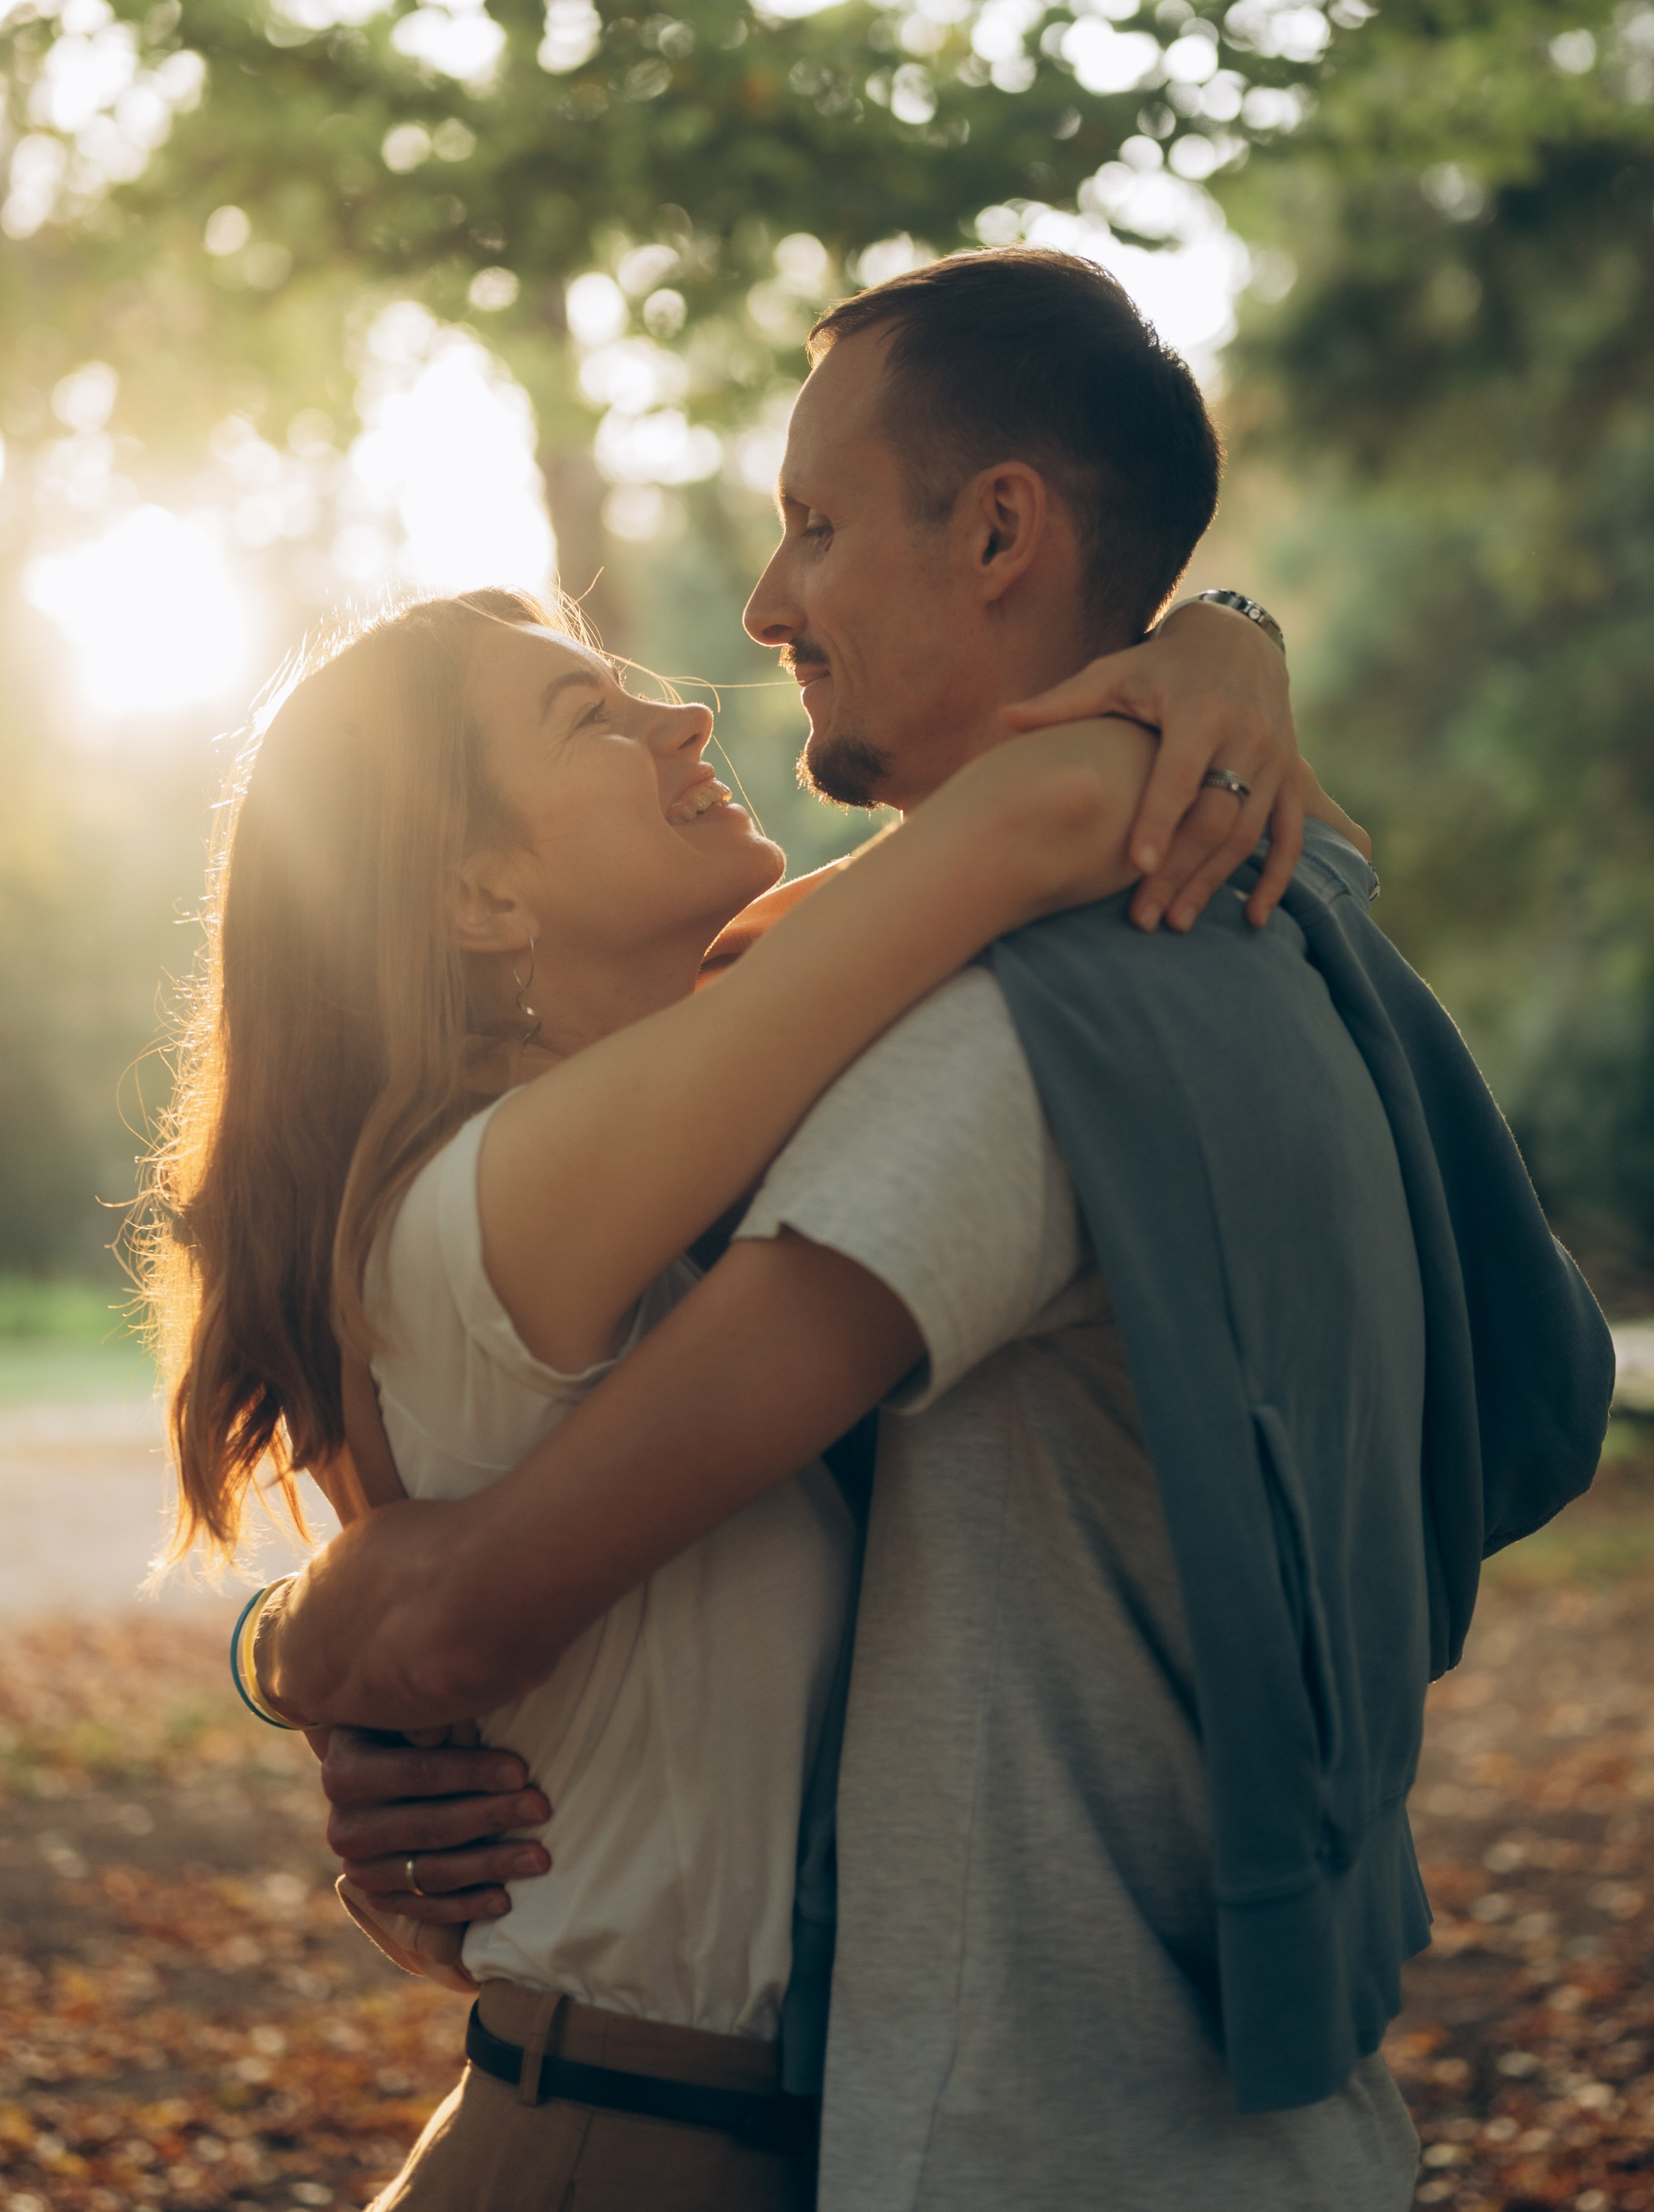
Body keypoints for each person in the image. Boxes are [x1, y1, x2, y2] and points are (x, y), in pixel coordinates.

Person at [262, 250, 1612, 2209]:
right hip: (1246, 2128)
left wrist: (309, 1644)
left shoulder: (1013, 1045)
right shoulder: (1281, 930)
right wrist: (1217, 639)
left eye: (813, 525)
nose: (757, 610)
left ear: (998, 529)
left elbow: (474, 1597)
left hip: (1051, 2137)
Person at [145, 550, 1326, 2207]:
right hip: (621, 2148)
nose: (685, 704)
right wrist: (1220, 654)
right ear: (481, 896)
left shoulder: (654, 1172)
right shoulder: (489, 1209)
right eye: (592, 714)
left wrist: (1229, 641)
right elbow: (1036, 822)